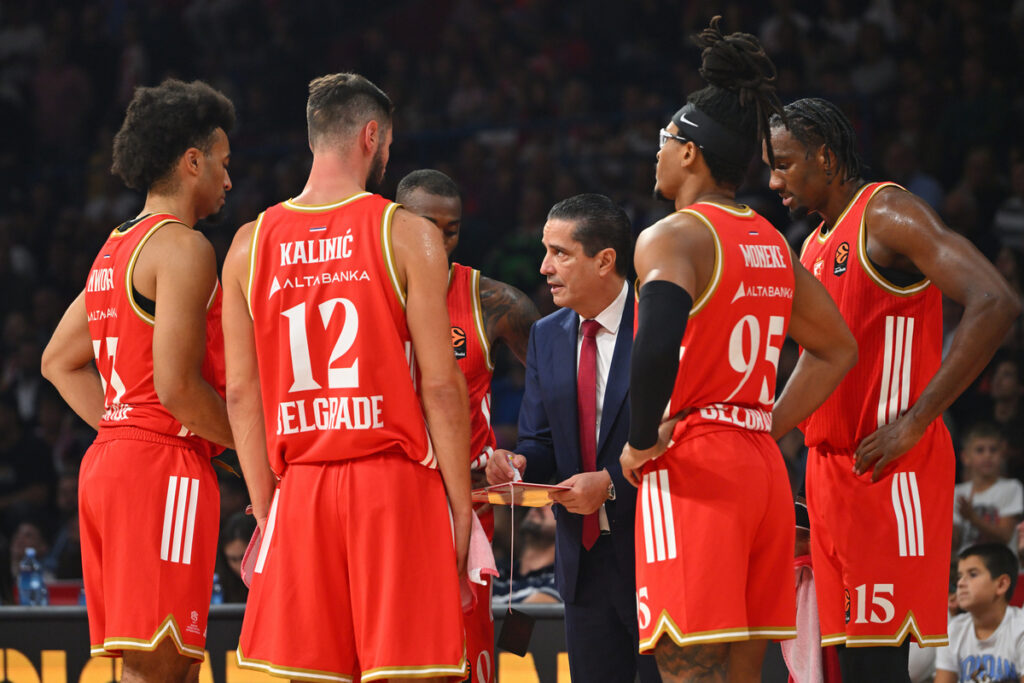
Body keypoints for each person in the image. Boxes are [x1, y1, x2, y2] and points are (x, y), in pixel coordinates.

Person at [617, 17, 857, 682]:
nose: (657, 153)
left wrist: (639, 439)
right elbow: (837, 347)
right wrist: (766, 423)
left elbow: (656, 343)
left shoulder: (673, 236)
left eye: (664, 141)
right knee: (745, 669)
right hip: (760, 465)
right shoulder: (772, 242)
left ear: (690, 152)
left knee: (687, 667)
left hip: (693, 462)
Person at [223, 72, 471, 682]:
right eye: (388, 144)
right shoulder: (407, 232)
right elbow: (441, 387)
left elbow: (241, 393)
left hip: (301, 486)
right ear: (371, 136)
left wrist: (267, 507)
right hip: (391, 484)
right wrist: (461, 509)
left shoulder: (248, 243)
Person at [766, 96, 1021, 681]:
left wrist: (918, 419)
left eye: (783, 164)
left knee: (877, 668)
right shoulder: (812, 244)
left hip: (888, 472)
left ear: (824, 157)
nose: (774, 181)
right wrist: (761, 434)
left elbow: (996, 300)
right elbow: (816, 364)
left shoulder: (884, 212)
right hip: (829, 478)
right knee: (843, 669)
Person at [39, 78, 235, 680]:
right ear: (192, 161)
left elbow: (57, 361)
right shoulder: (184, 248)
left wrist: (123, 425)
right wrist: (254, 449)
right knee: (161, 669)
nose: (229, 180)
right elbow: (177, 389)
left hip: (110, 465)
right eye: (223, 162)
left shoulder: (115, 247)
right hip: (161, 468)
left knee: (158, 666)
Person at [487, 193, 661, 683]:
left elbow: (682, 438)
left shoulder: (660, 324)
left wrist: (610, 485)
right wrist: (519, 462)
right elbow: (541, 441)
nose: (544, 267)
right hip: (581, 562)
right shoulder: (546, 334)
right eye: (546, 251)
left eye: (560, 253)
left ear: (604, 260)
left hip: (656, 552)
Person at [396, 168, 539, 683]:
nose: (438, 241)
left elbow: (558, 388)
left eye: (451, 230)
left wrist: (523, 454)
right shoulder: (365, 293)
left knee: (463, 656)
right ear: (396, 224)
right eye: (425, 228)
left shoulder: (493, 302)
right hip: (387, 498)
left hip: (466, 500)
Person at [935, 543, 1024, 682]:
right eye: (959, 576)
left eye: (973, 574)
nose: (960, 583)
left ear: (1001, 584)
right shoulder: (955, 629)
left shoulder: (1020, 629)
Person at [953, 423, 1024, 555]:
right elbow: (954, 544)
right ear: (965, 457)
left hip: (1001, 562)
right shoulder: (957, 492)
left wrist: (972, 517)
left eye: (993, 450)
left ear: (1002, 454)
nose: (987, 455)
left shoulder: (1011, 487)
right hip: (966, 563)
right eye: (980, 450)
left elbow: (1005, 536)